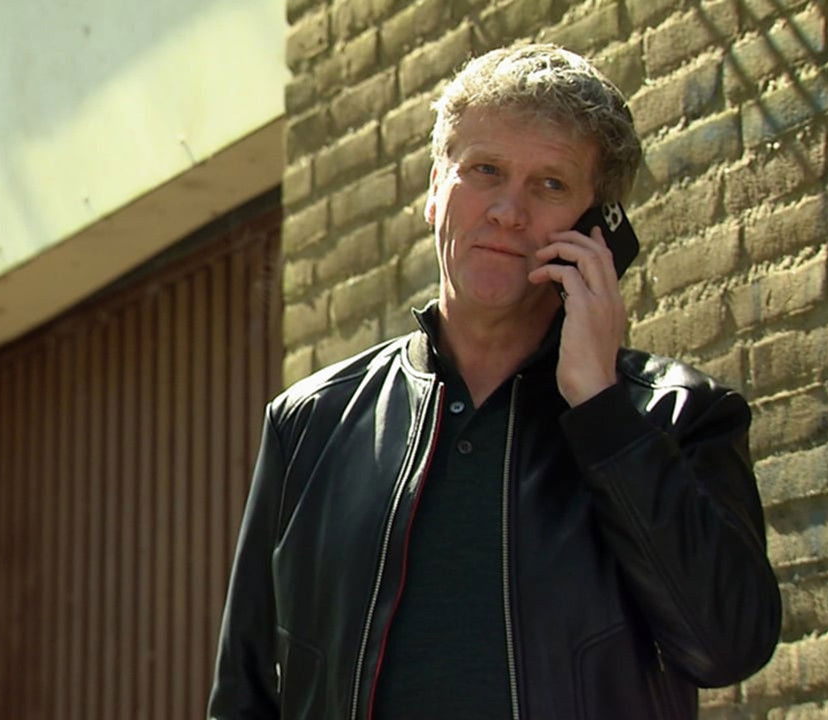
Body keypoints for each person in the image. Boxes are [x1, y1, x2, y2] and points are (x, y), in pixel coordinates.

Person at [209, 43, 781, 720]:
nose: (509, 210)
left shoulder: (677, 416)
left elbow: (727, 647)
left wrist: (602, 411)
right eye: (485, 170)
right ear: (434, 190)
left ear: (597, 230)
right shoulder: (310, 423)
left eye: (551, 185)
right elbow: (244, 696)